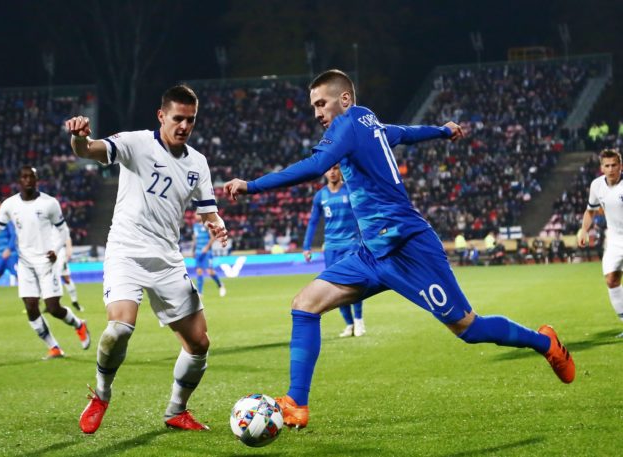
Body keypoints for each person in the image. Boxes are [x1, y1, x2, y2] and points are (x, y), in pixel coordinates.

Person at [224, 69, 575, 429]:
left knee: (469, 328)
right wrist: (442, 131)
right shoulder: (368, 123)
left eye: (321, 103)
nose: (317, 113)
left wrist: (252, 186)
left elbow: (316, 165)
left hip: (409, 248)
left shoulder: (347, 124)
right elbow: (404, 133)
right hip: (372, 254)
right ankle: (297, 403)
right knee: (304, 304)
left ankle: (544, 343)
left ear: (344, 99)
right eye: (313, 106)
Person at [65, 85, 228, 434]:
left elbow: (208, 212)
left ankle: (176, 411)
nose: (184, 126)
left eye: (191, 120)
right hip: (126, 251)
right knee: (118, 330)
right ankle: (102, 394)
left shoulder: (198, 163)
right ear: (161, 116)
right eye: (178, 118)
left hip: (167, 259)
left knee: (199, 343)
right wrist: (79, 138)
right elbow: (90, 150)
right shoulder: (136, 143)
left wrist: (218, 225)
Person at [0, 166, 90, 358]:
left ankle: (79, 324)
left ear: (36, 179)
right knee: (31, 307)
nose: (27, 180)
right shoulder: (10, 204)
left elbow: (63, 231)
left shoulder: (49, 203)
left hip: (46, 262)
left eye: (31, 177)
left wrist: (55, 249)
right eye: (24, 177)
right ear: (19, 180)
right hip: (25, 263)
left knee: (53, 308)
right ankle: (54, 347)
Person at [302, 163, 365, 337]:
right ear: (324, 172)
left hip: (351, 244)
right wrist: (306, 246)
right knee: (336, 287)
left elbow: (362, 213)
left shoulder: (350, 190)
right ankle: (349, 324)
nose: (332, 172)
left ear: (340, 170)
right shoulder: (320, 196)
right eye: (329, 169)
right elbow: (313, 222)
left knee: (354, 283)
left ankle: (359, 320)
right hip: (330, 247)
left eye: (335, 168)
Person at [578, 149, 623, 337]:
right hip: (614, 239)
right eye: (607, 166)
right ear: (601, 168)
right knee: (611, 280)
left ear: (621, 166)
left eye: (614, 165)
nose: (611, 169)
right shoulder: (597, 185)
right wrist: (583, 229)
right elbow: (590, 210)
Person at [191, 212, 226, 297]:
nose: (195, 216)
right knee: (199, 271)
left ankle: (220, 285)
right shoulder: (195, 226)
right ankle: (200, 293)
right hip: (198, 252)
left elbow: (213, 237)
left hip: (207, 252)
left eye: (197, 214)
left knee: (210, 272)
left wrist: (206, 248)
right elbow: (195, 238)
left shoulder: (207, 225)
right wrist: (193, 250)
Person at [55, 234, 84, 312]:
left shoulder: (59, 227)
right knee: (51, 278)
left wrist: (69, 250)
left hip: (60, 254)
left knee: (66, 279)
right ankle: (53, 303)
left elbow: (67, 238)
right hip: (48, 252)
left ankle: (74, 301)